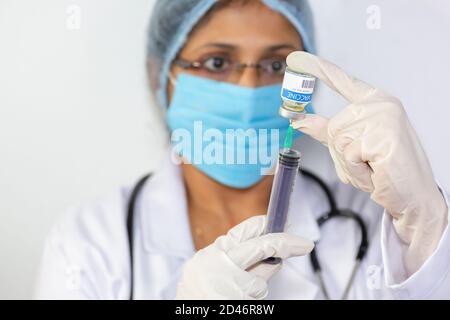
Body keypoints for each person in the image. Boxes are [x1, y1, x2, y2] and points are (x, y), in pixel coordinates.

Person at [34, 0, 450, 299]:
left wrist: (425, 218)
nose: (250, 90)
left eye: (275, 66)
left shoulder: (372, 224)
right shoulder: (92, 244)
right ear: (161, 75)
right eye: (217, 62)